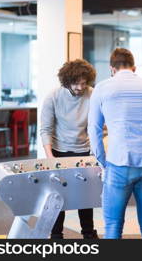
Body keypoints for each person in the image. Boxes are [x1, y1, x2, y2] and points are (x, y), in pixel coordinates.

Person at [88, 48, 142, 239]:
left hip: (118, 162)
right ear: (134, 67)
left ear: (112, 69)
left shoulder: (102, 88)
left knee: (113, 226)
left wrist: (102, 162)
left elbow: (94, 129)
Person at [40, 59, 98, 239]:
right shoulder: (53, 97)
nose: (80, 87)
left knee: (85, 196)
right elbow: (45, 129)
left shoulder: (93, 94)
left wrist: (96, 151)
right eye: (76, 83)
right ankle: (56, 235)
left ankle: (88, 234)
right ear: (66, 81)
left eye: (83, 83)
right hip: (59, 151)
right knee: (59, 196)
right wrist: (50, 156)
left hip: (83, 150)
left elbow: (96, 126)